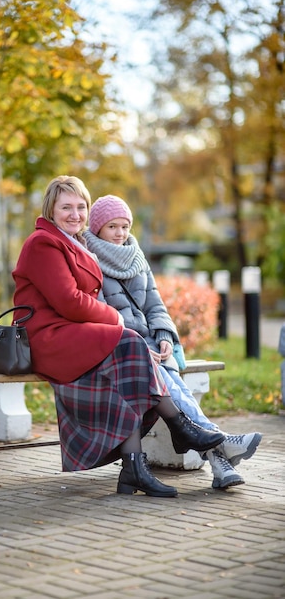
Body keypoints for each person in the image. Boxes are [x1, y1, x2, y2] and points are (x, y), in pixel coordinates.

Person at [12, 175, 226, 499]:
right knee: (129, 342)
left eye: (81, 206)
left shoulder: (74, 243)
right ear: (51, 210)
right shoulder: (43, 243)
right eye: (66, 207)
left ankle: (134, 469)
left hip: (73, 332)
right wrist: (115, 319)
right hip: (47, 338)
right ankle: (181, 428)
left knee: (127, 358)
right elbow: (69, 300)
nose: (75, 214)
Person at [84, 194, 262, 489]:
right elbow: (103, 314)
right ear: (98, 227)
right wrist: (140, 345)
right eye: (112, 226)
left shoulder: (137, 256)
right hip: (125, 347)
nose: (120, 233)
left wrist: (165, 335)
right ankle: (221, 448)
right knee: (173, 388)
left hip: (154, 345)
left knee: (178, 389)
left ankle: (219, 457)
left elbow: (156, 305)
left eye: (125, 226)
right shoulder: (89, 260)